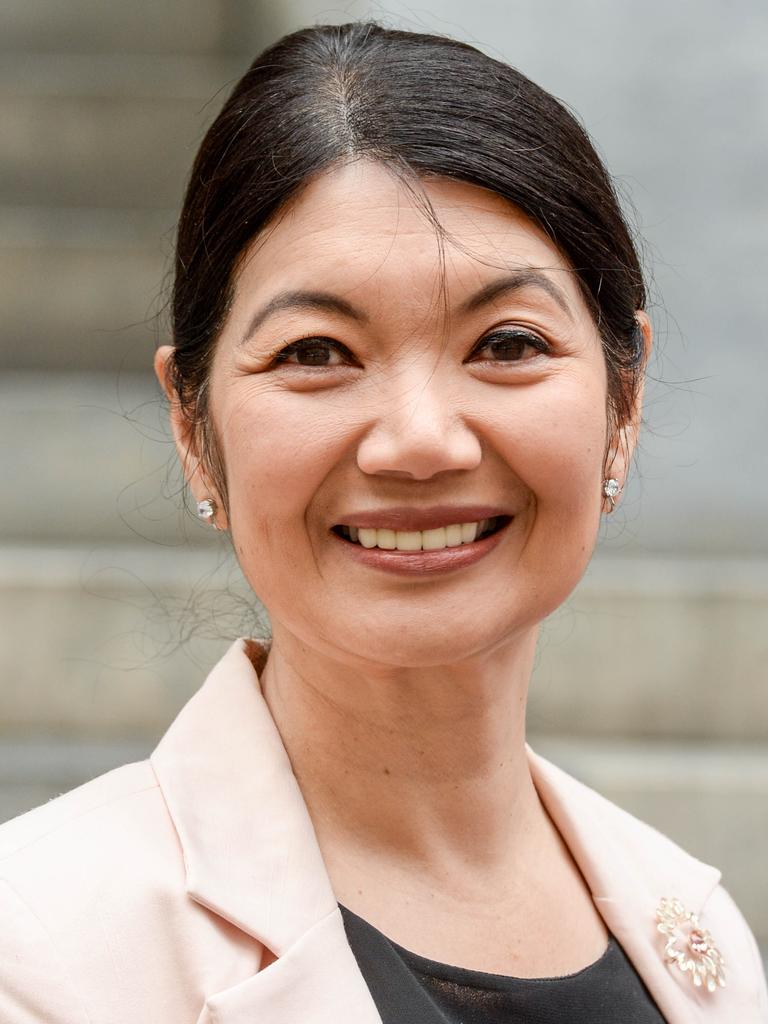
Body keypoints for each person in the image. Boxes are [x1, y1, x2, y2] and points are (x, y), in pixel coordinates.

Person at [0, 21, 765, 1024]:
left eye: (506, 342)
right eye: (317, 352)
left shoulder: (695, 930)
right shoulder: (43, 948)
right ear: (193, 427)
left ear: (622, 402)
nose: (418, 441)